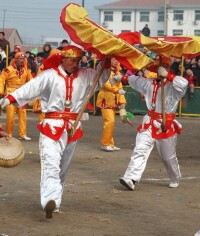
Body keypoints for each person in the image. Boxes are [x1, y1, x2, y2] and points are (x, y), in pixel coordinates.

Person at [0, 45, 111, 219]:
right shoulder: (49, 75)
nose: (75, 63)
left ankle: (55, 202)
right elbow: (30, 88)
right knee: (50, 163)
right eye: (72, 60)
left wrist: (107, 59)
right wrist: (8, 99)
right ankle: (49, 199)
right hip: (51, 125)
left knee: (62, 169)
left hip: (73, 128)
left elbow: (101, 76)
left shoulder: (85, 75)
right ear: (63, 59)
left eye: (77, 60)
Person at [110, 65, 188, 190]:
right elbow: (135, 80)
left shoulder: (174, 87)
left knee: (167, 156)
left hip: (165, 124)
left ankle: (175, 177)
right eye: (159, 69)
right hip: (149, 121)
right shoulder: (149, 83)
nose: (159, 71)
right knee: (140, 149)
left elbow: (184, 84)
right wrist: (120, 77)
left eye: (164, 68)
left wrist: (169, 76)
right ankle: (131, 178)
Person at [96, 57, 127, 151]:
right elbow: (105, 84)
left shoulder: (117, 72)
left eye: (117, 59)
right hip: (106, 100)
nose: (116, 61)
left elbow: (119, 85)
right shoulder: (105, 71)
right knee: (110, 122)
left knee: (111, 122)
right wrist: (117, 90)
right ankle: (105, 143)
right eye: (114, 59)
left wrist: (122, 102)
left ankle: (110, 143)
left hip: (113, 100)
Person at [0, 52, 32, 140]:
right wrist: (1, 92)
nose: (22, 60)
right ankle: (9, 133)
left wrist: (30, 94)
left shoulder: (26, 70)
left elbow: (31, 82)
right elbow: (1, 80)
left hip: (22, 94)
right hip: (11, 93)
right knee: (10, 115)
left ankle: (22, 134)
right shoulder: (8, 69)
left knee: (23, 114)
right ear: (16, 59)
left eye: (23, 59)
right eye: (20, 58)